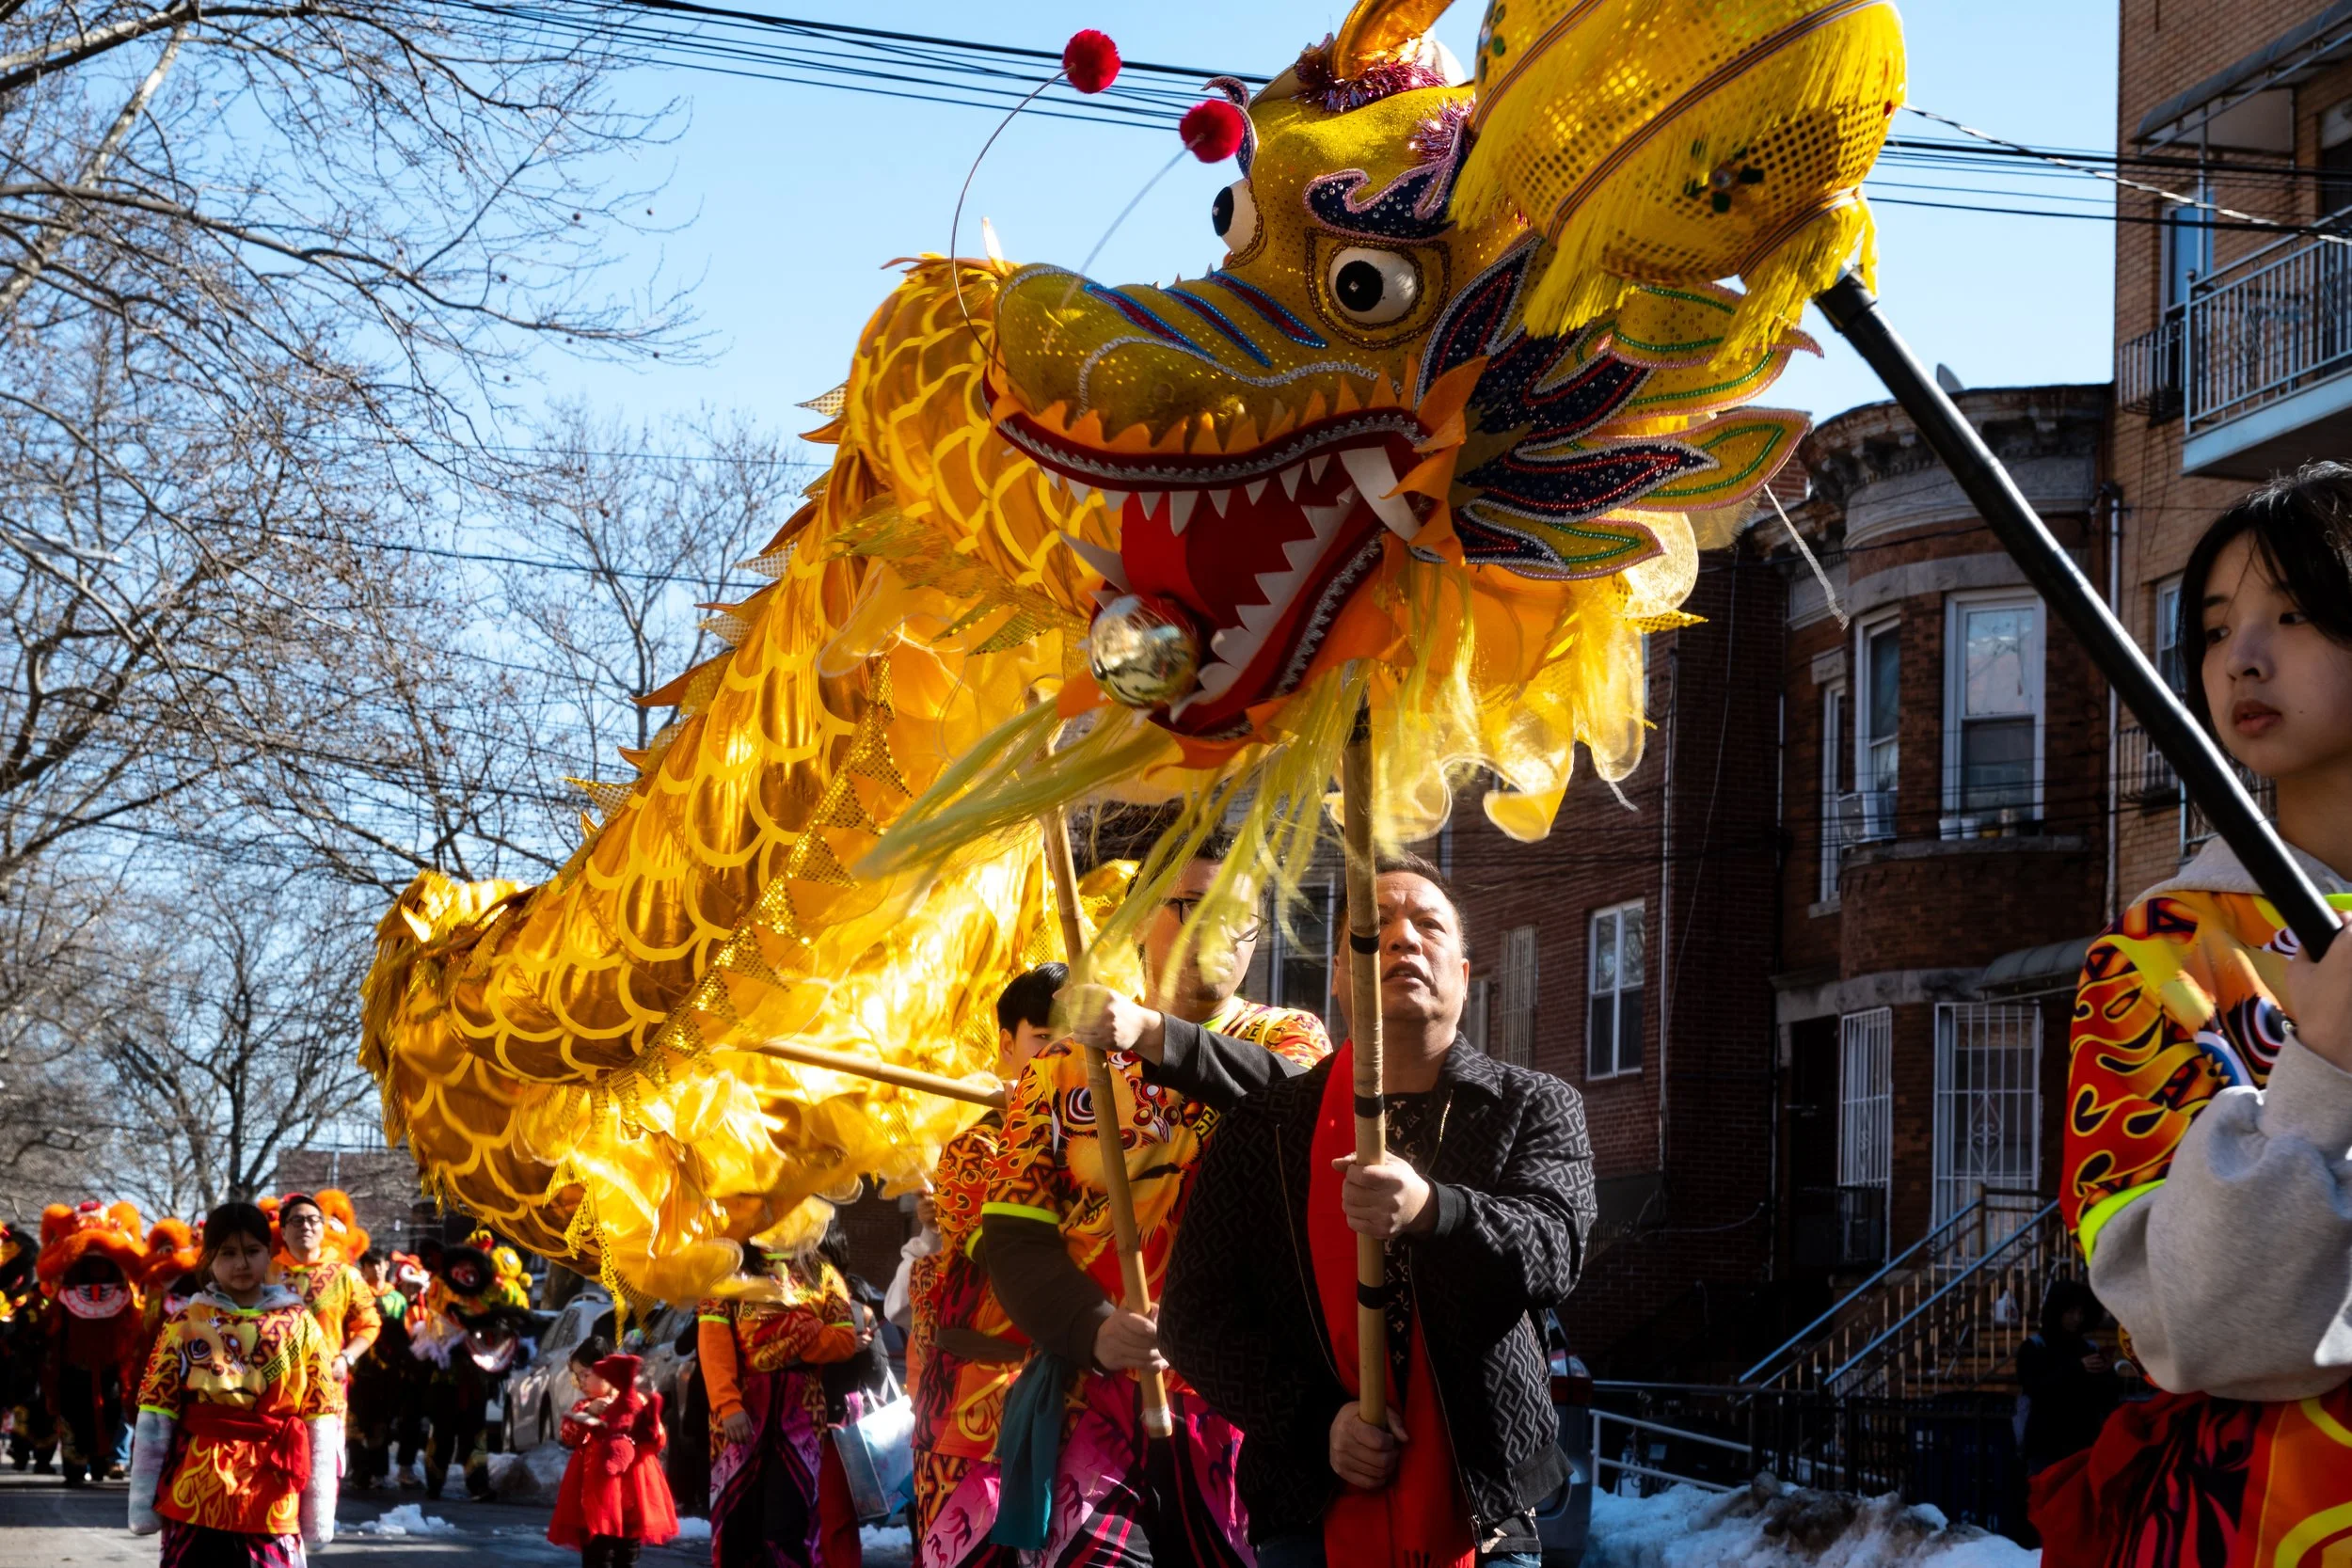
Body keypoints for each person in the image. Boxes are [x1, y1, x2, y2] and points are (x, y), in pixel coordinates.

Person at [1069, 851, 1596, 1568]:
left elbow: (1555, 1247)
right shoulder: (1267, 1124)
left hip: (1484, 1513)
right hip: (1306, 1512)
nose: (1404, 939)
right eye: (1373, 928)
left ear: (1465, 977)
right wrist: (1319, 1423)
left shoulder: (1534, 1105)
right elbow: (1196, 1320)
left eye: (1428, 925)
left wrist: (1434, 1209)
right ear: (1341, 977)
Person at [2036, 463, 2352, 1564]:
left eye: (2294, 614)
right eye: (2216, 629)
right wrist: (2324, 1065)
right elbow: (2200, 1322)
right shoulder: (2155, 955)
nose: (2241, 659)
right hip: (2270, 1512)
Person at [981, 836, 1331, 1566]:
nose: (1215, 929)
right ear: (1142, 917)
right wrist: (1092, 1326)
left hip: (1240, 1403)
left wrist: (1153, 1035)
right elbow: (1014, 1233)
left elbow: (1300, 1106)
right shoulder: (1058, 1066)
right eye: (1191, 905)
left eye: (1238, 912)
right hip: (1094, 1390)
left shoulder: (1288, 1036)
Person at [905, 962, 1060, 1568]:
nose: (1060, 1055)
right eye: (1044, 1039)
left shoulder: (1085, 1137)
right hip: (974, 1409)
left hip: (1058, 1398)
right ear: (1006, 1043)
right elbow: (1005, 1254)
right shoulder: (978, 1141)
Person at [127, 1199, 342, 1559]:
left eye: (252, 1251)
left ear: (269, 1252)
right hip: (195, 1488)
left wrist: (318, 1513)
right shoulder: (184, 1322)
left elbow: (320, 1415)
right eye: (227, 1253)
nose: (241, 1263)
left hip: (272, 1489)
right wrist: (141, 1502)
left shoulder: (300, 1324)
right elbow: (155, 1412)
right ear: (209, 1257)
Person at [697, 1233, 868, 1568]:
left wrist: (786, 1329)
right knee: (738, 1525)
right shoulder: (728, 1270)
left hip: (803, 1412)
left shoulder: (822, 1274)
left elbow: (845, 1340)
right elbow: (713, 1342)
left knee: (791, 1522)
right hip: (742, 1411)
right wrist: (728, 1404)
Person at [34, 1199, 149, 1486]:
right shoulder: (62, 1296)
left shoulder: (126, 1300)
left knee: (110, 1410)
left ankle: (101, 1460)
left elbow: (134, 1327)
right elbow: (51, 1325)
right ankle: (75, 1465)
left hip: (112, 1363)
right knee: (73, 1413)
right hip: (73, 1363)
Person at [548, 1335, 680, 1568]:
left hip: (632, 1496)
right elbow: (568, 1435)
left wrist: (646, 1424)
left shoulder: (635, 1401)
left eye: (586, 1375)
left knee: (627, 1555)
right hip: (595, 1498)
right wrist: (589, 1413)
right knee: (598, 1556)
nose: (581, 1382)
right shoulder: (585, 1407)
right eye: (578, 1376)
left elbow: (657, 1440)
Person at [270, 1190, 380, 1385]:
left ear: (323, 1227)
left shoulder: (346, 1275)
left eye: (313, 1220)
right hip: (276, 1386)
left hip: (326, 1385)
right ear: (284, 1231)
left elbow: (369, 1324)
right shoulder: (266, 1274)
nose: (306, 1226)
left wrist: (347, 1358)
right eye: (297, 1220)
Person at [2014, 1278, 2122, 1475]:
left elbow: (2108, 1396)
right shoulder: (2035, 1347)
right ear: (2058, 1312)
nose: (2077, 1318)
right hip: (2046, 1443)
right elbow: (2035, 1388)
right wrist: (2077, 1368)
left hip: (2082, 1440)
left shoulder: (2088, 1348)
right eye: (2071, 1312)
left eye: (2081, 1313)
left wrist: (2106, 1372)